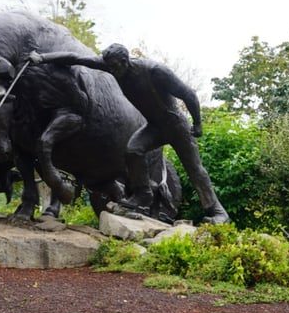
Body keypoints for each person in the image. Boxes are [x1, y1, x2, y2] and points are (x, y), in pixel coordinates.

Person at [28, 44, 230, 225]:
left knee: (194, 168)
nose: (112, 71)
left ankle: (217, 212)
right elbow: (74, 57)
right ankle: (143, 195)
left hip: (176, 126)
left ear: (125, 62)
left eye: (115, 67)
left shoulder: (155, 71)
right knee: (133, 150)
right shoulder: (111, 65)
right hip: (154, 127)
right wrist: (43, 58)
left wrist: (198, 123)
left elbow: (189, 94)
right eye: (110, 67)